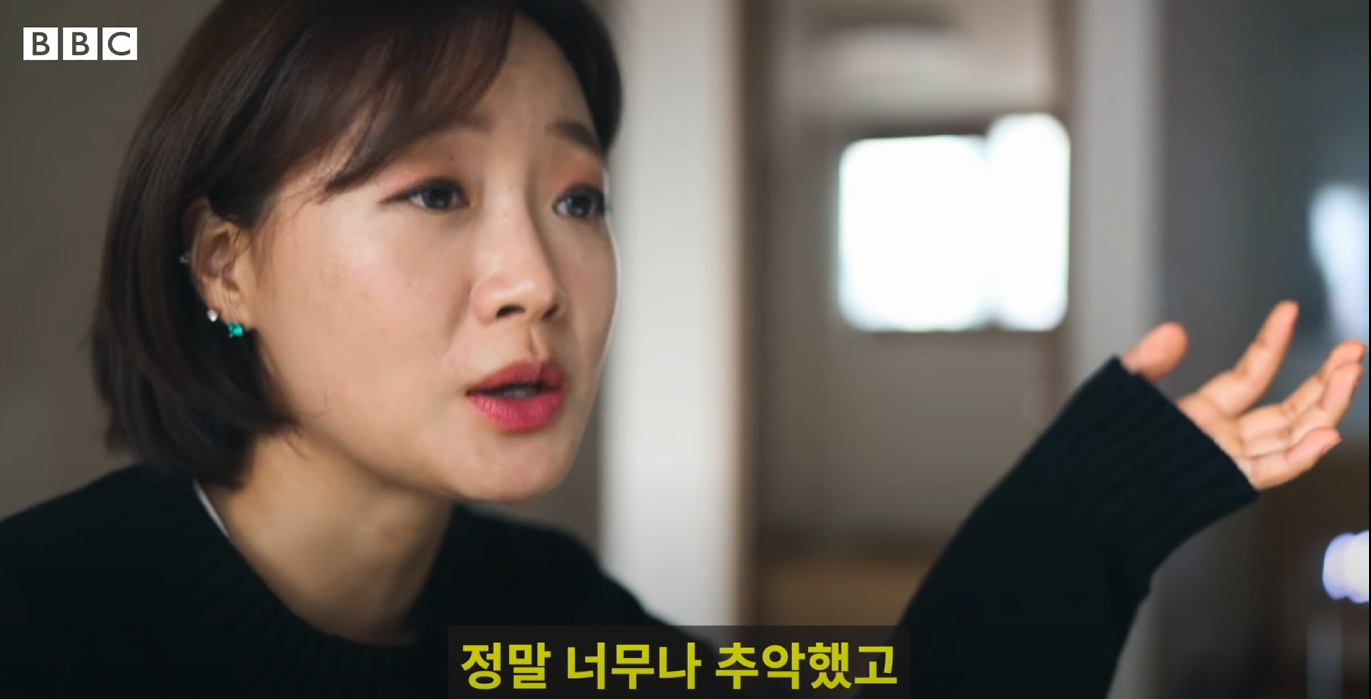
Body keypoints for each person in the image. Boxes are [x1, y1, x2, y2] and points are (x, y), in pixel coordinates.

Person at [0, 0, 1363, 697]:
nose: (536, 281)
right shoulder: (45, 628)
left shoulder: (541, 623)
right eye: (434, 192)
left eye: (577, 200)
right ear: (225, 264)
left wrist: (1098, 502)